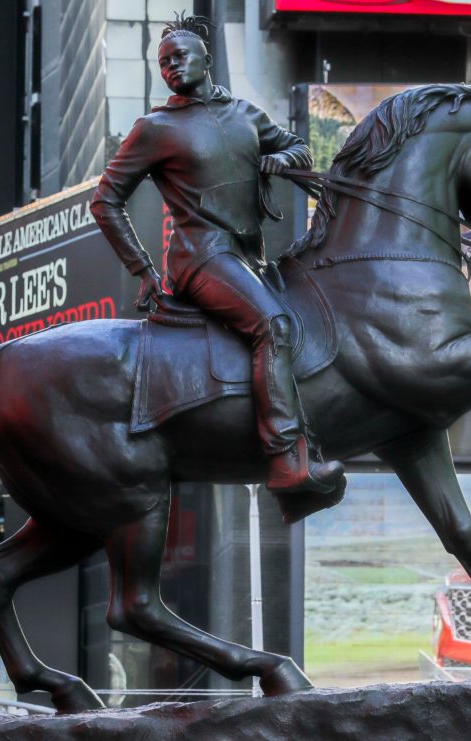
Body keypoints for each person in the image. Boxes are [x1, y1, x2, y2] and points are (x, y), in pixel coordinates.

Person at [91, 13, 343, 513]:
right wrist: (143, 268)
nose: (171, 66)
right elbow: (105, 201)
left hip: (248, 256)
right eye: (163, 62)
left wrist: (284, 160)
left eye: (180, 56)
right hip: (200, 258)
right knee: (273, 324)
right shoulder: (155, 128)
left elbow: (297, 147)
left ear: (207, 59)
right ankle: (286, 461)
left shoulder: (246, 115)